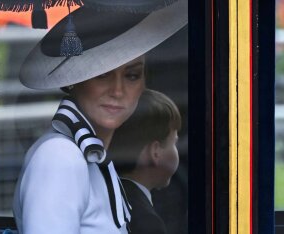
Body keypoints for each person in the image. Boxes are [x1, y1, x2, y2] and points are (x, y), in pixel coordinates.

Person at [13, 1, 187, 233]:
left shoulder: (96, 160)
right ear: (76, 81)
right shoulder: (61, 157)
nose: (117, 90)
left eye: (132, 75)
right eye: (102, 75)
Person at [109, 89, 182, 234]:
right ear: (155, 152)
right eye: (174, 142)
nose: (176, 150)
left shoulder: (106, 196)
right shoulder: (147, 222)